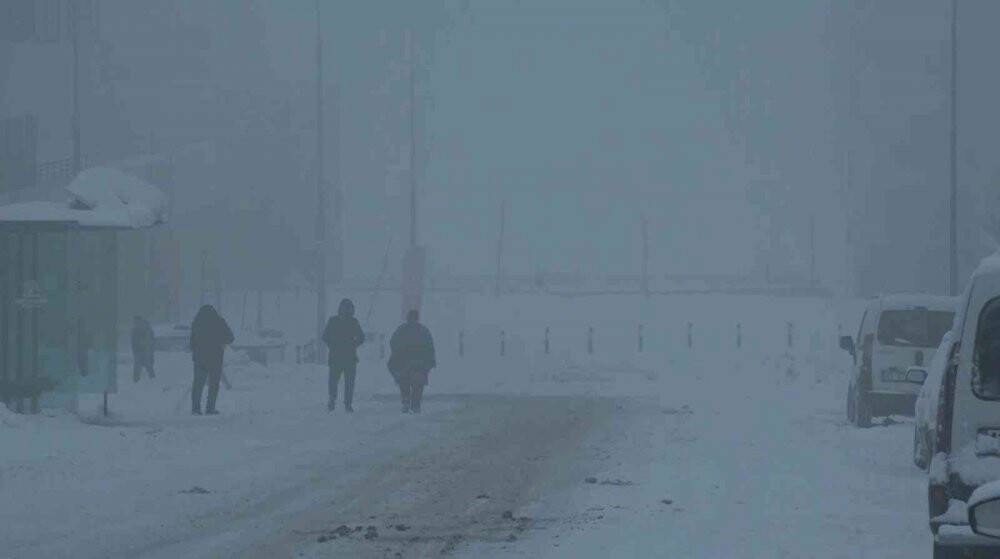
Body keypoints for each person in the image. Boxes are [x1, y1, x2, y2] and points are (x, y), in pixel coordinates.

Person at [388, 309, 436, 413]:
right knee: (418, 385)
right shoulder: (423, 331)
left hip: (404, 363)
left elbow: (393, 342)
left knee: (404, 382)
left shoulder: (401, 330)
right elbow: (430, 347)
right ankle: (415, 404)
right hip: (419, 363)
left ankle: (406, 401)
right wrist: (430, 361)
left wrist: (396, 356)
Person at [189, 305, 234, 415]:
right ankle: (210, 408)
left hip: (200, 358)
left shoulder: (196, 323)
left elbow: (191, 343)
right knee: (214, 384)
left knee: (198, 384)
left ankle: (196, 409)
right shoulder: (219, 322)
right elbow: (230, 338)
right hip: (215, 358)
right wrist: (220, 341)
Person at [322, 298, 365, 412]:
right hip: (349, 357)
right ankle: (347, 404)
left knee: (333, 381)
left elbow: (325, 337)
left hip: (336, 356)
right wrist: (353, 344)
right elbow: (361, 337)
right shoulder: (353, 322)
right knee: (349, 382)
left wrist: (333, 345)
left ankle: (333, 401)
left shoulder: (333, 321)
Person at [131, 316, 155, 382]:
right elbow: (133, 342)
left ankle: (151, 379)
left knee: (146, 365)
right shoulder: (135, 329)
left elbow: (151, 340)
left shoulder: (146, 328)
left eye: (136, 321)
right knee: (144, 365)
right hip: (140, 351)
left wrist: (150, 349)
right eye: (134, 321)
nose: (135, 323)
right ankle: (136, 380)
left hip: (144, 350)